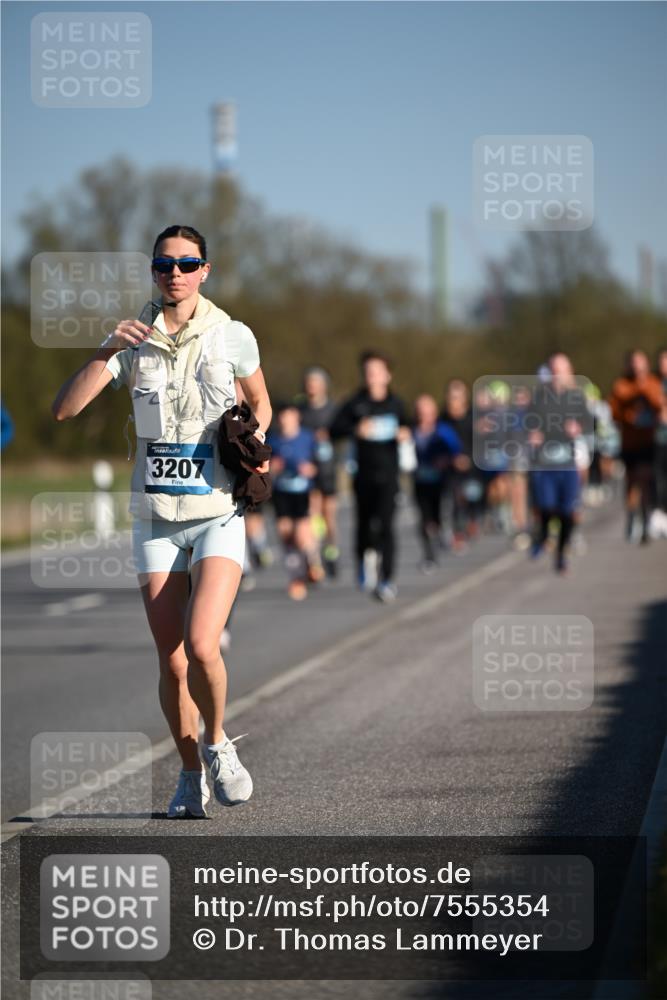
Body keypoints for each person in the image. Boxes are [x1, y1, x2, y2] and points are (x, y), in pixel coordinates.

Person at [51, 225, 272, 818]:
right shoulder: (131, 340)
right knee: (171, 659)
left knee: (203, 644)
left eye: (187, 263)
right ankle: (189, 772)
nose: (174, 273)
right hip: (155, 517)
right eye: (163, 264)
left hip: (216, 511)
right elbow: (65, 409)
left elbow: (261, 399)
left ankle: (219, 742)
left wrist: (255, 437)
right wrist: (104, 350)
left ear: (205, 270)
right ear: (153, 271)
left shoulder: (233, 335)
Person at [330, 350, 409, 602]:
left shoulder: (396, 404)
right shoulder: (355, 403)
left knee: (386, 526)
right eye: (367, 372)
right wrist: (356, 429)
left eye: (376, 371)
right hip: (362, 473)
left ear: (387, 375)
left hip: (389, 474)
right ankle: (364, 562)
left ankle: (387, 579)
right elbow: (334, 430)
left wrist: (406, 433)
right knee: (364, 526)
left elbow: (412, 424)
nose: (372, 376)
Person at [528, 352, 588, 574]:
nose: (557, 374)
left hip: (567, 462)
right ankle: (542, 536)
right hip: (544, 463)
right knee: (546, 506)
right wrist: (533, 433)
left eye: (561, 370)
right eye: (553, 370)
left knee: (567, 511)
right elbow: (528, 421)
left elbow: (590, 421)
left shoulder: (576, 397)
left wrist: (578, 427)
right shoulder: (540, 397)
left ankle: (561, 554)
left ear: (569, 372)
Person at [609, 350, 664, 544]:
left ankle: (647, 517)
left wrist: (644, 389)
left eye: (641, 364)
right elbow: (615, 412)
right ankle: (632, 516)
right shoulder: (622, 386)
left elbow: (659, 404)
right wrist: (631, 411)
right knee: (632, 481)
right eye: (634, 364)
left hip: (648, 442)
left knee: (647, 479)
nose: (638, 368)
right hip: (630, 442)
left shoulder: (652, 383)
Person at [267, 402, 320, 600]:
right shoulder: (273, 440)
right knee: (285, 534)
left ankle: (311, 561)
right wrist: (274, 468)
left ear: (296, 417)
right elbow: (266, 469)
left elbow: (320, 464)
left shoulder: (307, 438)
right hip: (282, 492)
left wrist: (311, 470)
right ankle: (295, 578)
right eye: (282, 418)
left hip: (303, 492)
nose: (285, 422)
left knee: (301, 535)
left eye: (288, 417)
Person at [297, 366, 340, 577]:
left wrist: (329, 436)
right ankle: (315, 562)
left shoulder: (333, 409)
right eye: (309, 383)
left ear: (324, 386)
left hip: (328, 467)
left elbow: (343, 434)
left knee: (328, 514)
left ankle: (331, 549)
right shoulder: (301, 410)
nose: (311, 387)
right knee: (312, 512)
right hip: (309, 467)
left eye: (315, 383)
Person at [411, 394, 462, 571]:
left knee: (439, 516)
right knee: (424, 519)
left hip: (441, 481)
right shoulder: (411, 431)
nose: (423, 414)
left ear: (434, 412)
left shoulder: (444, 431)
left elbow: (458, 455)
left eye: (427, 410)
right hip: (420, 481)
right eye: (420, 411)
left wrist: (446, 460)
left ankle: (444, 535)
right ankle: (429, 554)